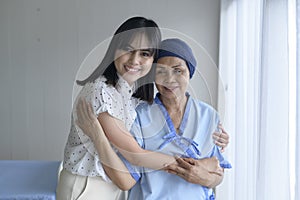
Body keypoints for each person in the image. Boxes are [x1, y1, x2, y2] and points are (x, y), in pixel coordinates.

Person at [57, 16, 229, 200]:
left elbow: (218, 172)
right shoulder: (107, 94)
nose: (135, 60)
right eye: (128, 49)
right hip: (88, 186)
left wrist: (207, 173)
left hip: (111, 189)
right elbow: (133, 163)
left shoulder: (130, 100)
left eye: (145, 54)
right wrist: (193, 166)